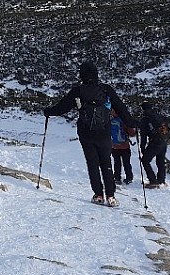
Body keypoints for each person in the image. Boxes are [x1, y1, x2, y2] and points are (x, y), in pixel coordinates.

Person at [43, 61, 136, 207]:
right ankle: (111, 196)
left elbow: (62, 108)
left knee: (92, 163)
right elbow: (121, 109)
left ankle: (98, 195)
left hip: (86, 133)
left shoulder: (77, 91)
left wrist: (48, 112)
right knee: (106, 163)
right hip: (104, 133)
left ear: (81, 75)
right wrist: (132, 123)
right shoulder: (106, 90)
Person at [139, 101, 169, 188]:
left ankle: (153, 181)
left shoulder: (145, 119)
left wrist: (142, 147)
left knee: (145, 160)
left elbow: (143, 134)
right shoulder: (159, 115)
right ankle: (161, 180)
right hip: (164, 141)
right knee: (160, 161)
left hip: (155, 142)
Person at [110, 108, 136, 185]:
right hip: (125, 146)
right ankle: (129, 178)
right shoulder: (124, 121)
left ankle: (117, 178)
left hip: (114, 146)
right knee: (127, 162)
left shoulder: (110, 121)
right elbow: (132, 134)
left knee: (116, 162)